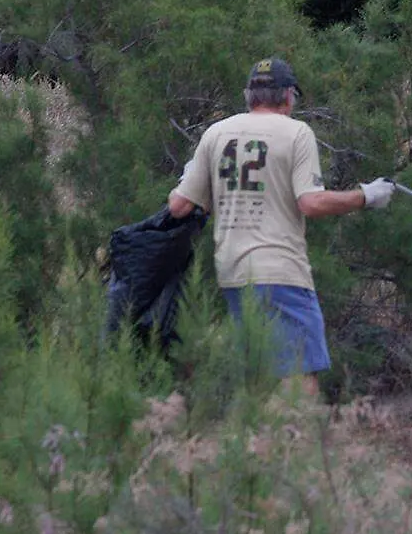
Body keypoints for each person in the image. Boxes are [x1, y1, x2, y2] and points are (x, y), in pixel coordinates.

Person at [167, 57, 395, 395]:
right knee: (300, 382)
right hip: (280, 271)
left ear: (249, 95)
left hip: (232, 272)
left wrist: (190, 174)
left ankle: (257, 443)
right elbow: (311, 203)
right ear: (288, 96)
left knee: (262, 379)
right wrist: (366, 196)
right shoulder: (296, 133)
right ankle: (290, 446)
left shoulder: (216, 133)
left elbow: (178, 206)